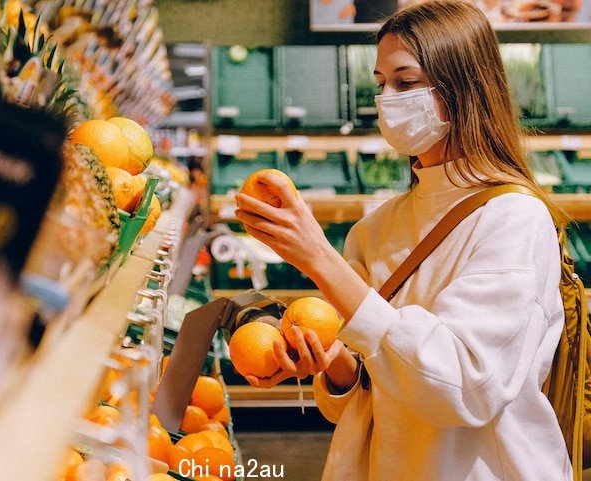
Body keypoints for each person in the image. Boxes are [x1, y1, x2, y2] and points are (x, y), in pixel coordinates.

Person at [234, 1, 572, 480]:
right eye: (380, 83)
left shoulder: (514, 219)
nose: (387, 98)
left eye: (406, 82)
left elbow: (462, 388)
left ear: (463, 88)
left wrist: (317, 259)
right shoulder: (377, 228)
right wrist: (330, 362)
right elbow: (371, 391)